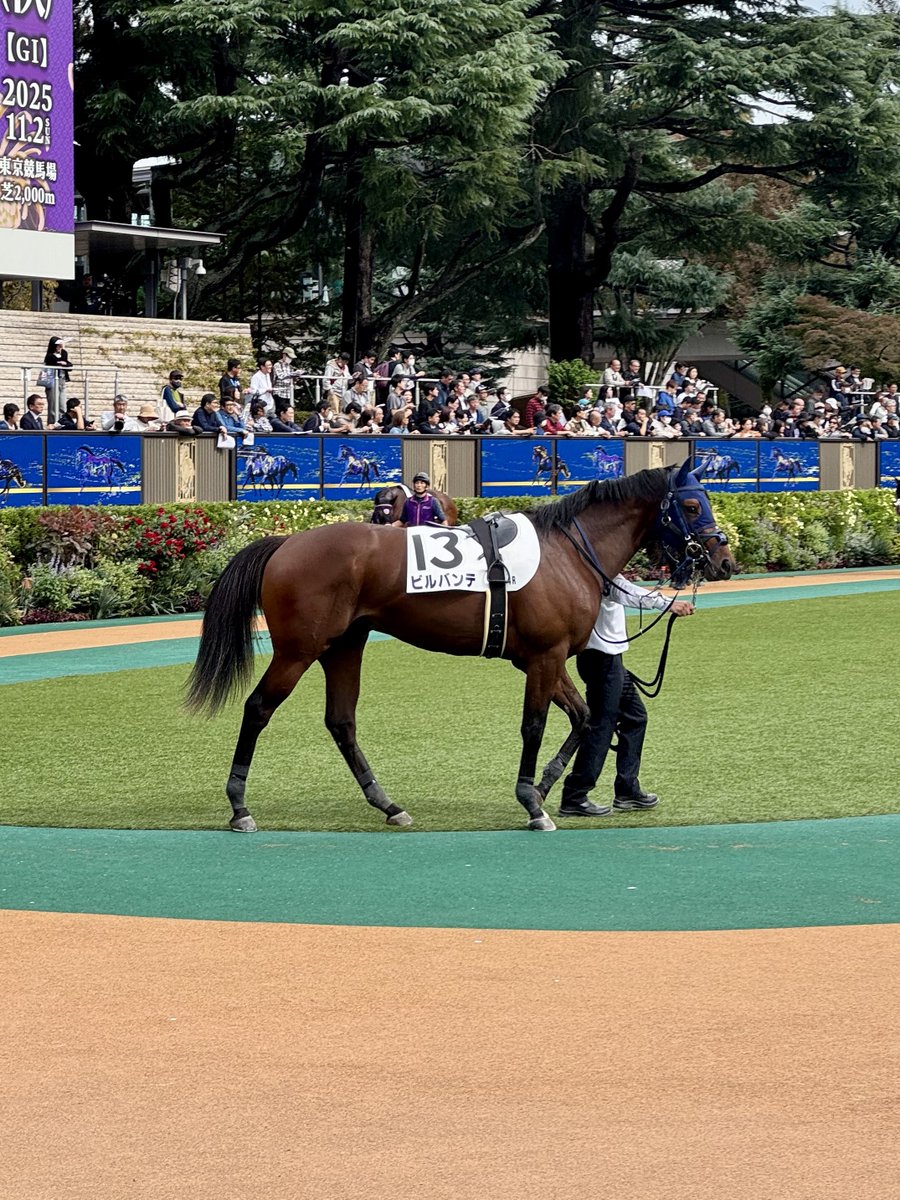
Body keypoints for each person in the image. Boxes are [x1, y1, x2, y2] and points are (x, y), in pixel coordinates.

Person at [558, 578, 695, 817]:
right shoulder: (599, 567)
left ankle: (627, 789)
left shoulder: (595, 563)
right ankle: (574, 795)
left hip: (607, 659)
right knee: (601, 725)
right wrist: (667, 603)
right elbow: (624, 592)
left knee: (635, 717)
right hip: (601, 659)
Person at [42, 336, 72, 416]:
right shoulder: (50, 355)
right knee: (53, 406)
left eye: (60, 345)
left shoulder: (64, 353)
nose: (60, 347)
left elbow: (69, 364)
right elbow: (57, 362)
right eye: (58, 345)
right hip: (53, 381)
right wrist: (63, 362)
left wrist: (64, 362)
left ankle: (62, 423)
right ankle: (52, 423)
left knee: (62, 405)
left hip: (62, 381)